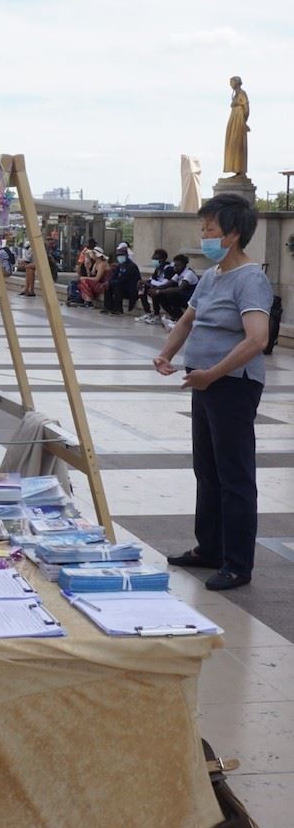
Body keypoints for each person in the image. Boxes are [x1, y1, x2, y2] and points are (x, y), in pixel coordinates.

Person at [155, 194, 272, 591]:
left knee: (234, 475)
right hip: (204, 383)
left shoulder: (250, 278)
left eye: (210, 229)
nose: (203, 235)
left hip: (232, 387)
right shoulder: (212, 275)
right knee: (207, 470)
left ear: (234, 234)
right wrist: (167, 353)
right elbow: (189, 319)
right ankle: (210, 548)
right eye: (202, 228)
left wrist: (213, 374)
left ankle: (237, 563)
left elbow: (257, 338)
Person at [156, 254, 199, 328]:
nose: (175, 268)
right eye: (174, 266)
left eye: (177, 266)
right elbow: (167, 284)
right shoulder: (178, 274)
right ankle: (174, 316)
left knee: (172, 294)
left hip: (191, 299)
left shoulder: (188, 273)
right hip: (183, 297)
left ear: (184, 265)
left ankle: (180, 318)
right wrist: (155, 289)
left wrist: (160, 291)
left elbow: (180, 288)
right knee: (160, 295)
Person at [136, 248, 175, 324]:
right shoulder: (158, 268)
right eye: (153, 258)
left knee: (153, 290)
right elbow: (152, 279)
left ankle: (157, 315)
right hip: (156, 287)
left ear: (163, 259)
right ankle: (148, 312)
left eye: (156, 259)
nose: (154, 261)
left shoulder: (168, 268)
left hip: (166, 290)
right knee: (142, 287)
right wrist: (142, 282)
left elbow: (165, 283)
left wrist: (150, 283)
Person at [103, 242, 140, 315]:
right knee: (108, 286)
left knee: (117, 286)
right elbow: (114, 276)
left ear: (126, 255)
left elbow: (124, 279)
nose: (120, 257)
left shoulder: (131, 266)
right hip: (121, 286)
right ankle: (108, 308)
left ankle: (118, 309)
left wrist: (112, 283)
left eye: (121, 255)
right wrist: (108, 282)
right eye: (118, 255)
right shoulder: (120, 266)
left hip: (130, 289)